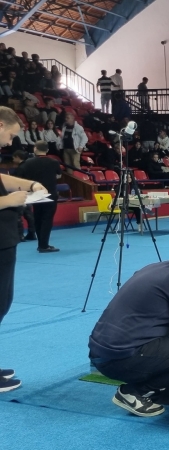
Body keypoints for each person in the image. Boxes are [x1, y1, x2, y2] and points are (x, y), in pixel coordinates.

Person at [88, 244, 169, 417]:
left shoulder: (155, 268)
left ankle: (153, 384)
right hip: (121, 358)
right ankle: (135, 393)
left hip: (101, 354)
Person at [0, 107, 47, 393]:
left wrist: (29, 184)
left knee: (3, 302)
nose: (9, 142)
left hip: (5, 239)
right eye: (10, 135)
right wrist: (7, 201)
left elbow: (1, 179)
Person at [14, 141, 61, 253]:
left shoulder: (27, 163)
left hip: (35, 194)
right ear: (47, 150)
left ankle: (41, 244)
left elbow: (20, 176)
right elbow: (59, 175)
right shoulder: (54, 162)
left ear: (35, 149)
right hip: (50, 194)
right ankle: (43, 245)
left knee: (38, 218)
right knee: (47, 219)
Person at [11, 151, 36, 242]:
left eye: (14, 158)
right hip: (29, 192)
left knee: (19, 215)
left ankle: (20, 235)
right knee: (29, 215)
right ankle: (32, 233)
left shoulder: (20, 169)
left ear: (18, 157)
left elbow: (16, 182)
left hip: (20, 193)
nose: (13, 160)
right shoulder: (30, 167)